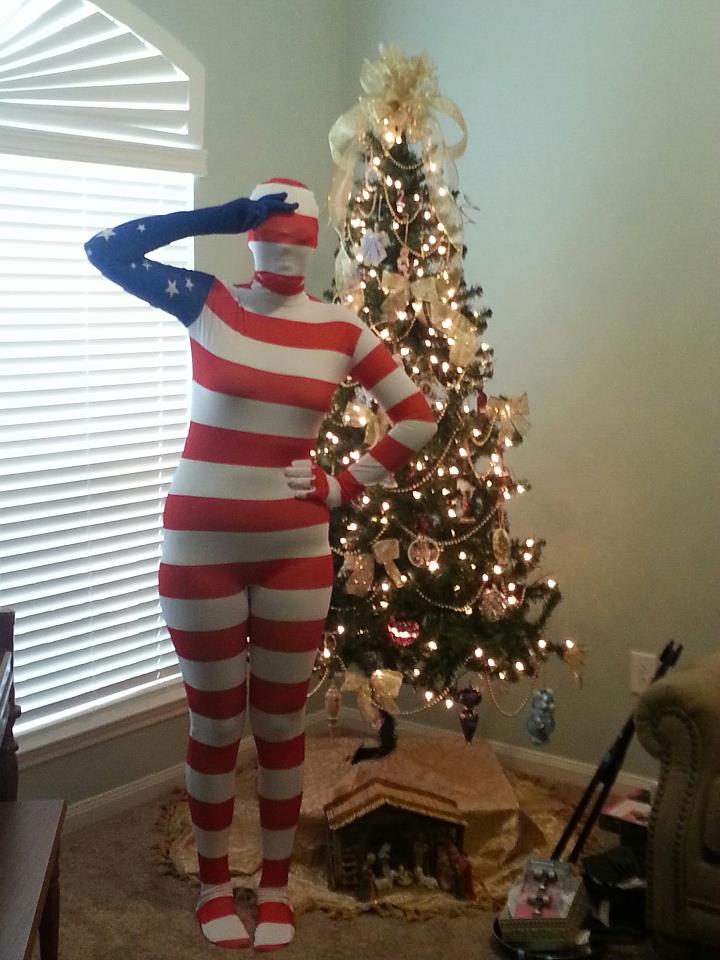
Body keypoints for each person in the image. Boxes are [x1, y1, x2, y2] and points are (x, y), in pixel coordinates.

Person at [84, 178, 437, 952]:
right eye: (268, 235)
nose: (283, 251)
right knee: (215, 725)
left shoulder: (341, 328)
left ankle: (273, 887)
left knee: (279, 727)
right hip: (199, 548)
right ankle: (215, 885)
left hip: (294, 551)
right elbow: (105, 249)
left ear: (315, 245)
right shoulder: (207, 301)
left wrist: (343, 485)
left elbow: (417, 415)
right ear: (249, 237)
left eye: (296, 239)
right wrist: (217, 216)